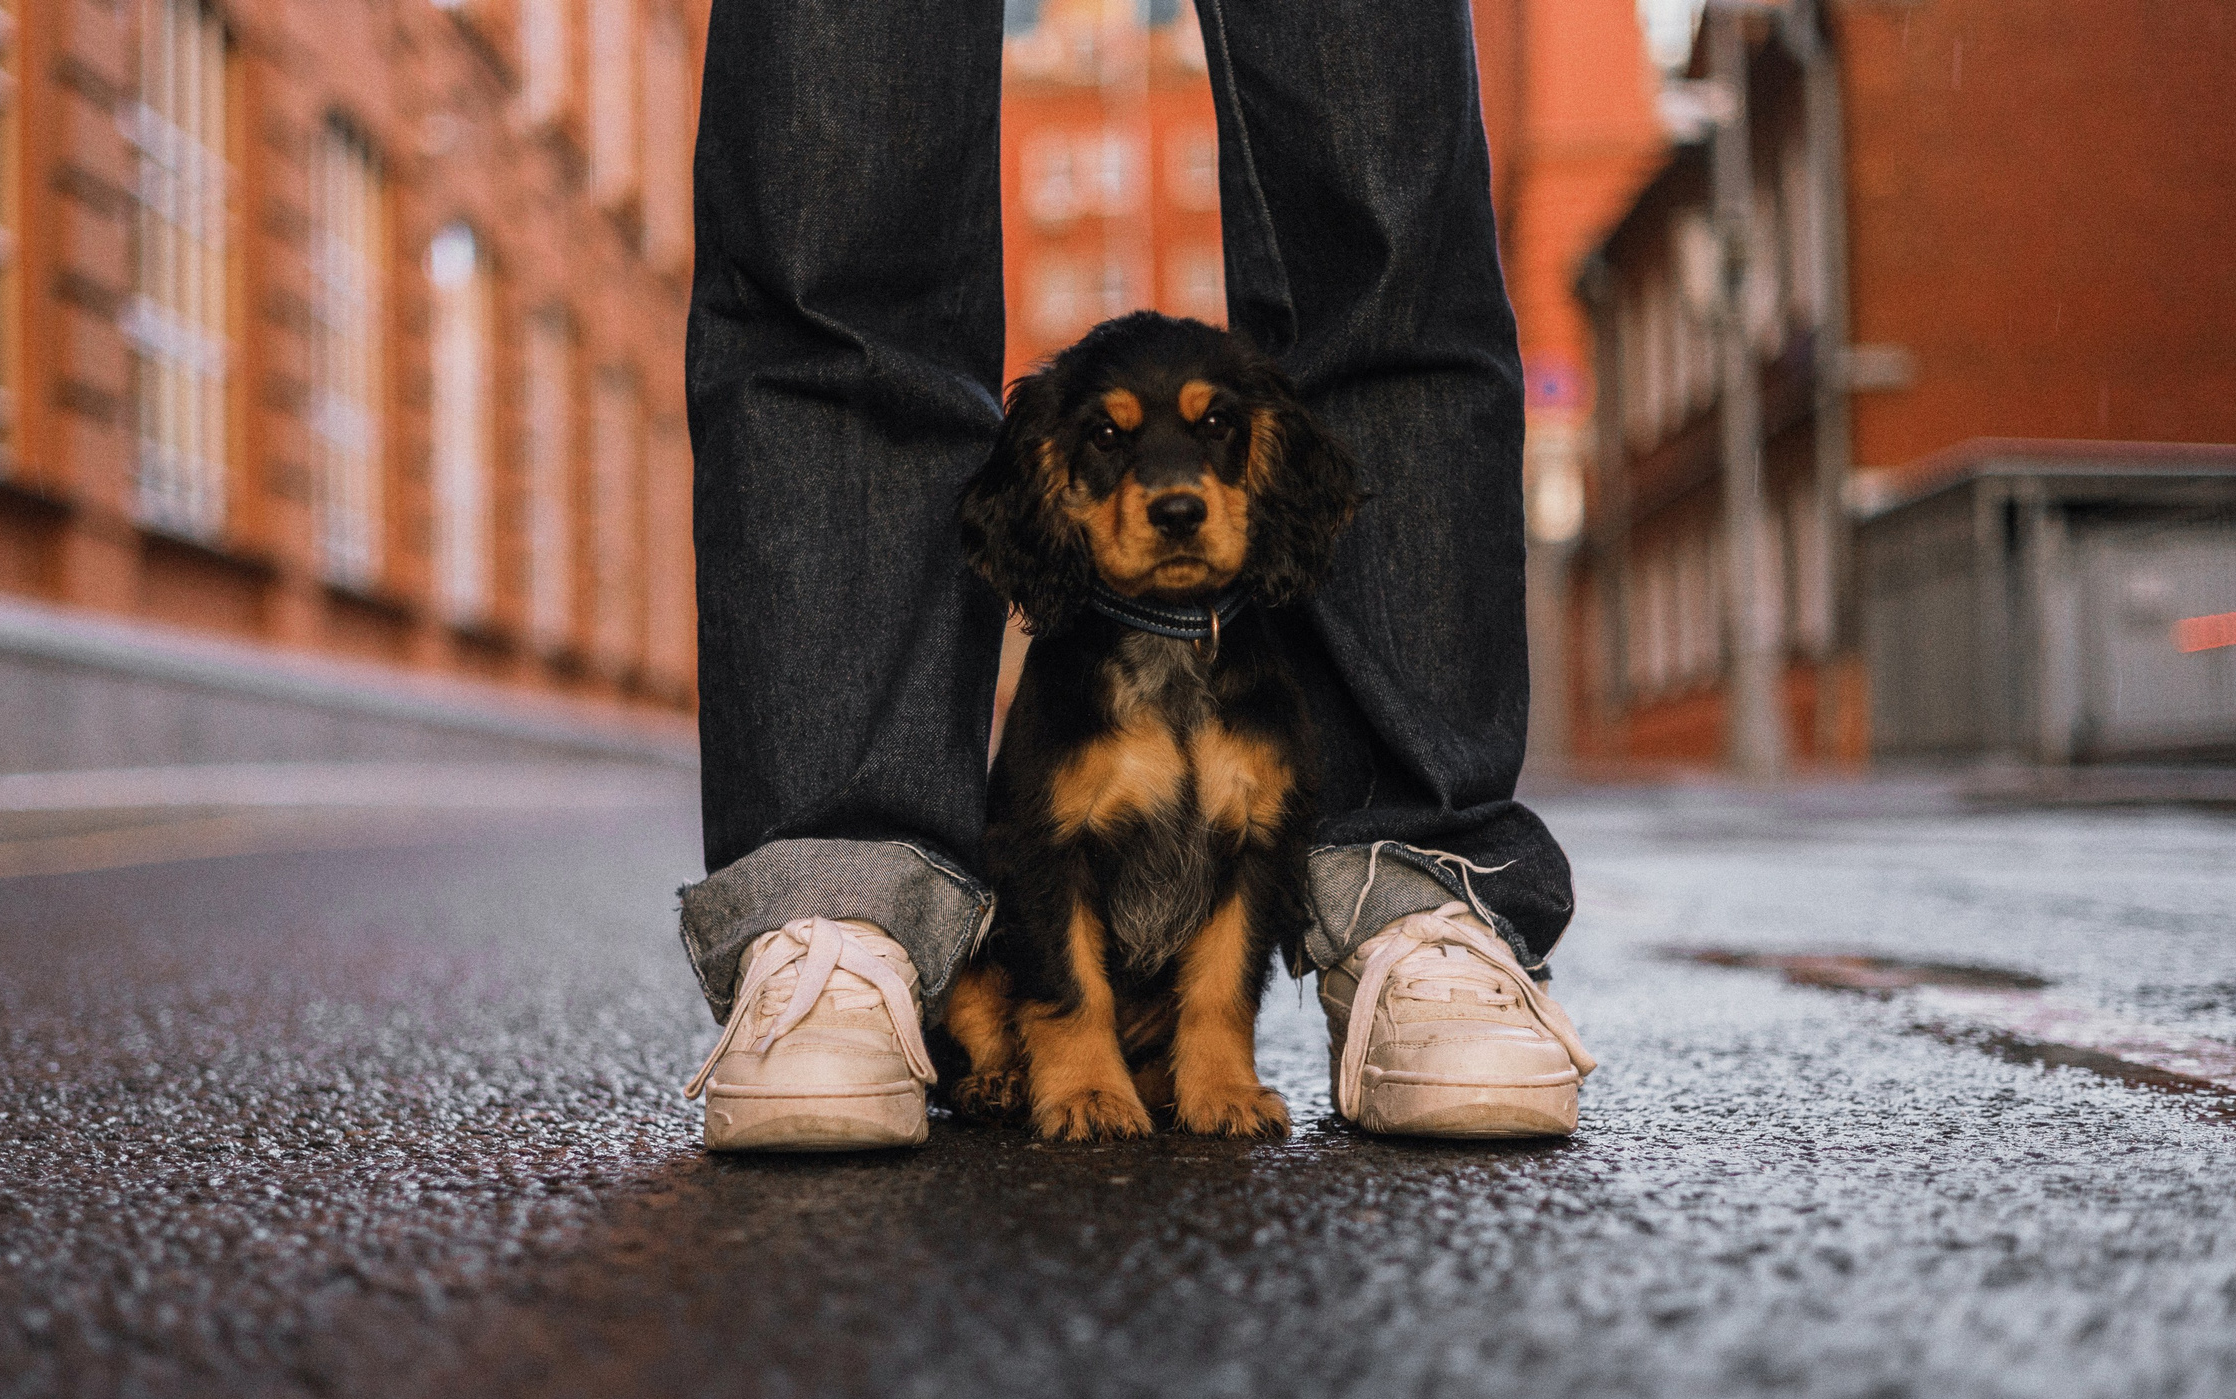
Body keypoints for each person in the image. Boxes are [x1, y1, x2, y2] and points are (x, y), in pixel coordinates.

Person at [677, 0, 1593, 1152]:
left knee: (1385, 183)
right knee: (833, 151)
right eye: (1113, 444)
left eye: (1209, 439)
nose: (1170, 483)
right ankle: (838, 896)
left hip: (1208, 873)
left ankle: (1421, 873)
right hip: (1059, 961)